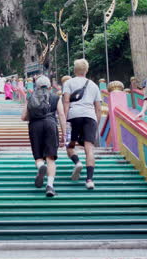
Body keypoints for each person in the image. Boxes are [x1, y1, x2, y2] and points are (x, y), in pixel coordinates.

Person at [21, 76, 67, 197]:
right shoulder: (55, 97)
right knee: (50, 158)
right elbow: (61, 114)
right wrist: (64, 133)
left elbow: (23, 117)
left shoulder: (30, 97)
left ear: (36, 86)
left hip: (35, 126)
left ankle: (41, 166)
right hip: (50, 124)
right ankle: (50, 186)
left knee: (38, 156)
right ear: (50, 87)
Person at [63, 59, 102, 189]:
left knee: (70, 145)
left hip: (74, 115)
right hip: (90, 116)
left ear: (74, 70)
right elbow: (98, 108)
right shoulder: (94, 85)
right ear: (86, 70)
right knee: (89, 148)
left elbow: (66, 102)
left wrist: (65, 119)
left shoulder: (68, 82)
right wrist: (96, 124)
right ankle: (89, 180)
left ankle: (77, 162)